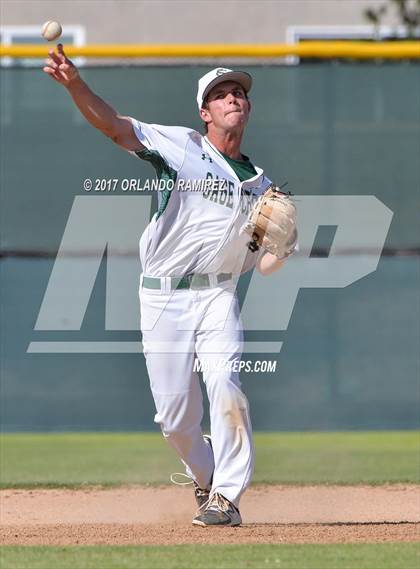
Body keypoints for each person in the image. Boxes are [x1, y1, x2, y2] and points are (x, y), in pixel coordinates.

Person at [43, 46, 289, 527]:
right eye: (221, 94)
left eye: (238, 91)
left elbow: (261, 267)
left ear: (248, 107)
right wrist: (74, 84)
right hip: (162, 296)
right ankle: (206, 478)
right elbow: (114, 126)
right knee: (174, 420)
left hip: (218, 295)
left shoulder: (262, 186)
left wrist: (282, 248)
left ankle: (227, 498)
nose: (232, 97)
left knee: (225, 386)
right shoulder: (181, 147)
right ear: (205, 112)